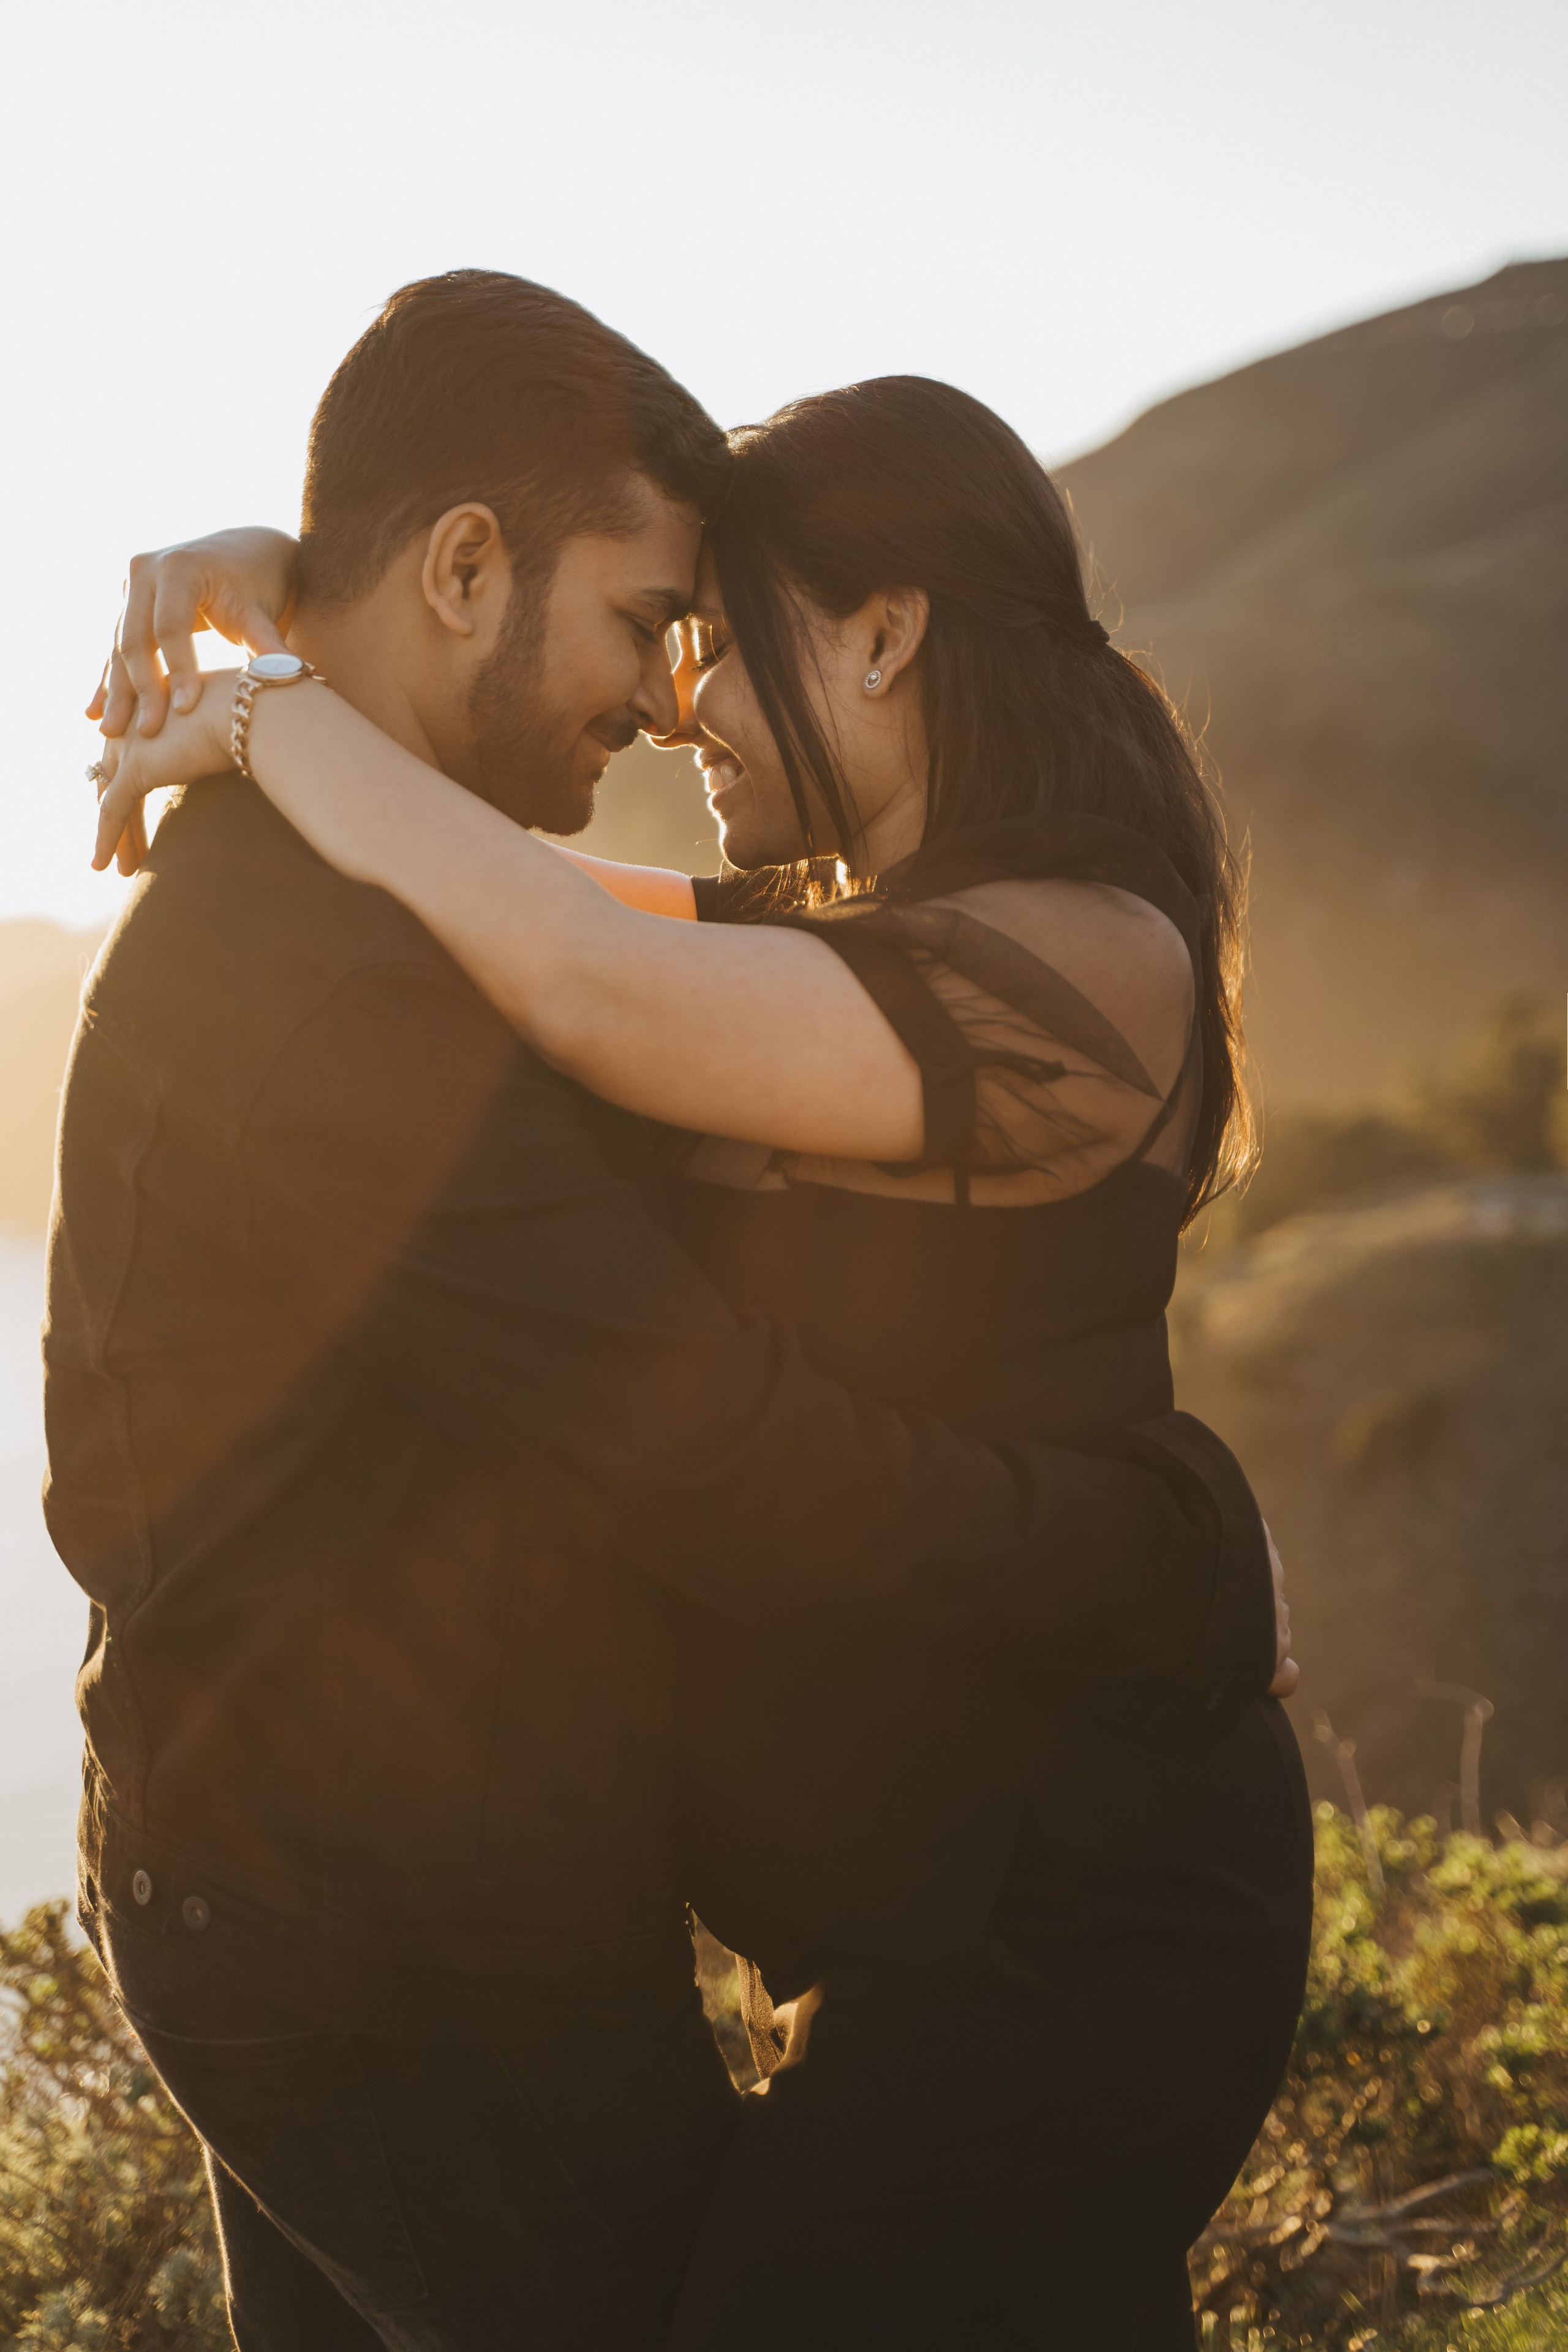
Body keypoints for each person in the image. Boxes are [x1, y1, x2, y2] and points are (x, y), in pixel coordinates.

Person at [89, 320, 1308, 2348]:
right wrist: (322, 596)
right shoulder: (848, 952)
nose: (683, 711)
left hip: (1087, 1919)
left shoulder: (1086, 960)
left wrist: (269, 702)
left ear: (888, 637)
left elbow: (565, 970)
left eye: (718, 641)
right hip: (937, 1905)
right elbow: (519, 906)